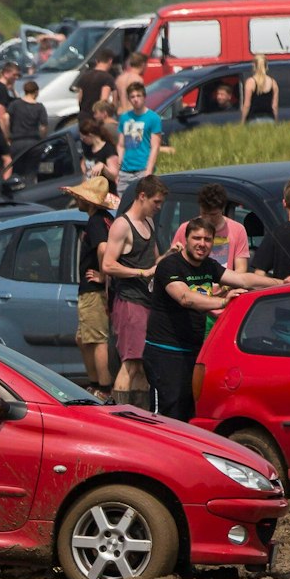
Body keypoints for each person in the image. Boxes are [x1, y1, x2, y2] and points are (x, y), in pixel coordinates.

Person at [146, 218, 290, 421]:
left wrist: (281, 283)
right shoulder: (170, 266)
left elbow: (243, 279)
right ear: (185, 239)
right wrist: (222, 302)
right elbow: (185, 298)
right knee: (166, 417)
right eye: (196, 238)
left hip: (195, 352)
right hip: (165, 353)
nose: (202, 244)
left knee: (190, 414)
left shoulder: (208, 266)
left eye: (207, 239)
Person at [102, 175, 166, 411]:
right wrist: (141, 273)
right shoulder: (122, 225)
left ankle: (140, 415)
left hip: (147, 301)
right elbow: (108, 265)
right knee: (129, 363)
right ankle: (119, 415)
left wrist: (170, 258)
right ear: (142, 196)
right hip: (129, 302)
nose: (158, 208)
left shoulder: (148, 222)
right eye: (156, 202)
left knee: (140, 362)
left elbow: (154, 261)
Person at [65, 176, 117, 398]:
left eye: (81, 196)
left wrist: (103, 276)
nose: (77, 198)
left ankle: (102, 389)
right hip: (91, 291)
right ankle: (95, 383)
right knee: (83, 337)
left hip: (93, 291)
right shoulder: (105, 219)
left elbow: (103, 249)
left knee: (96, 339)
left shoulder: (96, 221)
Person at [170, 183, 249, 271]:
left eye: (213, 214)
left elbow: (241, 269)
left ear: (222, 209)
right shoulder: (186, 228)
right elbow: (173, 263)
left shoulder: (238, 230)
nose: (208, 218)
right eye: (204, 213)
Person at [117, 82, 163, 186]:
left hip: (143, 169)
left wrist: (149, 170)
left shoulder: (153, 118)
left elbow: (155, 146)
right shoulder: (124, 118)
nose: (135, 99)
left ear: (144, 97)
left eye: (138, 96)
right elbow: (120, 145)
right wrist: (118, 169)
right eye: (132, 97)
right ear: (129, 99)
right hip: (125, 171)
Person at [7, 79, 47, 158]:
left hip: (17, 142)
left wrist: (7, 135)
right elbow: (43, 127)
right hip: (34, 142)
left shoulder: (15, 104)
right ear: (36, 92)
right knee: (32, 168)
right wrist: (42, 138)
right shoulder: (39, 107)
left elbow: (5, 118)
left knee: (17, 168)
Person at [74, 50, 117, 121]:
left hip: (83, 116)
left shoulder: (85, 76)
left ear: (97, 61)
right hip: (97, 117)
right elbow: (104, 100)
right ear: (110, 61)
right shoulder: (107, 78)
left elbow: (80, 98)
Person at [80, 117, 120, 186]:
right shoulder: (88, 150)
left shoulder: (108, 149)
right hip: (92, 190)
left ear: (90, 135)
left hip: (108, 190)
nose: (82, 140)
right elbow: (85, 171)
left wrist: (103, 167)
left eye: (83, 138)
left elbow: (115, 176)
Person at [240, 54, 280, 123]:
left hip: (253, 120)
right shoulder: (273, 82)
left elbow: (247, 105)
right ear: (266, 66)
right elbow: (274, 106)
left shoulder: (250, 82)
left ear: (254, 65)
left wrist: (242, 121)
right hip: (270, 119)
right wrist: (276, 121)